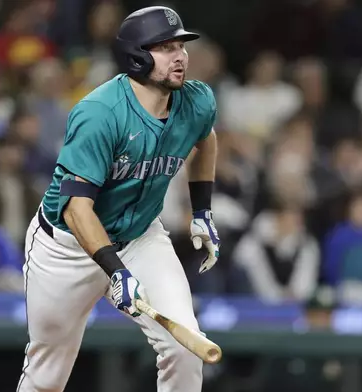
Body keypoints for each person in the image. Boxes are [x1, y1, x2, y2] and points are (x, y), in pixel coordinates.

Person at [16, 6, 220, 392]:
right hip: (67, 248)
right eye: (165, 47)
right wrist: (115, 270)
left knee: (185, 349)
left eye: (181, 45)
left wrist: (202, 210)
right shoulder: (99, 113)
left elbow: (205, 136)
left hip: (139, 237)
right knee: (47, 376)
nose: (179, 56)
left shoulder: (196, 101)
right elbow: (77, 209)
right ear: (137, 56)